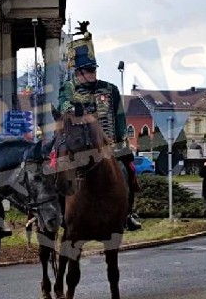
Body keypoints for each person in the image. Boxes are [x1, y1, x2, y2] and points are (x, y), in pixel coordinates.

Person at [56, 22, 143, 232]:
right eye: (88, 70)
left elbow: (119, 117)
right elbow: (64, 107)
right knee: (57, 170)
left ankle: (127, 213)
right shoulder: (68, 88)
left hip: (108, 145)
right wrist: (79, 112)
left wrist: (123, 144)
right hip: (77, 143)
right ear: (78, 71)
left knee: (128, 169)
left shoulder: (110, 89)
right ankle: (59, 213)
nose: (93, 73)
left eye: (94, 69)